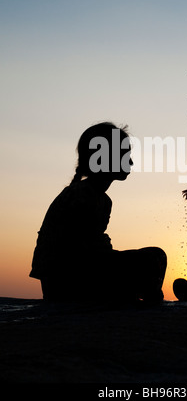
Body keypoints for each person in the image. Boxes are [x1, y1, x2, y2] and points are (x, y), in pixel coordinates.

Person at [30, 122, 167, 304]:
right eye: (124, 155)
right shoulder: (82, 194)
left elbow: (93, 247)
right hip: (68, 281)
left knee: (154, 257)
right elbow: (77, 251)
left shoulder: (99, 198)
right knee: (153, 258)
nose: (131, 161)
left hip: (77, 276)